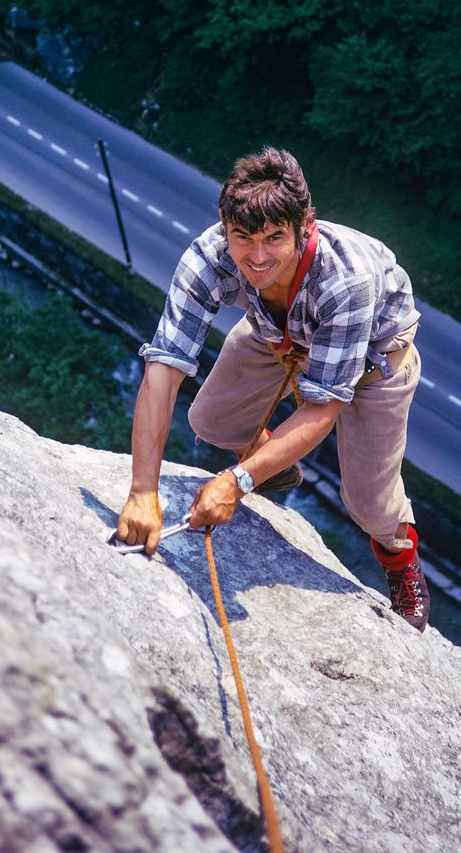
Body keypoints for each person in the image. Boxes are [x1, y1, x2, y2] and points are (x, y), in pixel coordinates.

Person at [116, 146, 430, 631]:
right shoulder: (209, 258)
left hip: (372, 364)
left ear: (306, 225)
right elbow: (163, 368)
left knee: (369, 504)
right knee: (210, 420)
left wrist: (237, 482)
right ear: (224, 223)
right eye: (242, 237)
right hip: (276, 333)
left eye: (273, 239)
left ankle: (401, 561)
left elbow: (323, 410)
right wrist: (142, 492)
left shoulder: (346, 281)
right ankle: (275, 466)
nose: (257, 258)